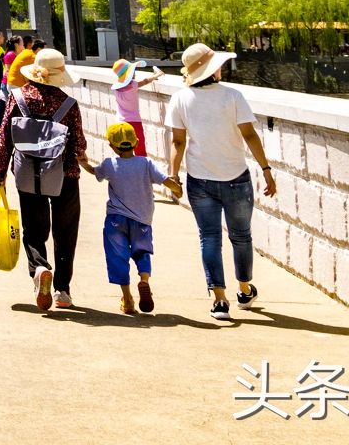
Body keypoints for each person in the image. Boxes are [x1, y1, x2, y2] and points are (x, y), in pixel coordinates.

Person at [164, 42, 279, 322]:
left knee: (210, 238)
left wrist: (173, 175)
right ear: (213, 71)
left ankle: (219, 300)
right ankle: (244, 289)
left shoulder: (180, 98)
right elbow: (250, 135)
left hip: (199, 179)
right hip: (236, 177)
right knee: (241, 236)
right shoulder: (233, 96)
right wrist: (266, 169)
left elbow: (178, 141)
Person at [0, 46, 87, 312]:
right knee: (65, 231)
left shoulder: (18, 98)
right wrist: (81, 153)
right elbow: (79, 144)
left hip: (27, 173)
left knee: (34, 229)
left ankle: (39, 269)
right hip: (65, 175)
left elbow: (4, 138)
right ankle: (62, 290)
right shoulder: (68, 104)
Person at [87, 119, 179, 314]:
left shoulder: (110, 164)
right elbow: (165, 181)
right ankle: (144, 280)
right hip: (142, 220)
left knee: (118, 256)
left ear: (112, 146)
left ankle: (127, 298)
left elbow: (94, 172)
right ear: (136, 142)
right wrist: (177, 189)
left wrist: (82, 161)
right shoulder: (145, 163)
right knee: (142, 252)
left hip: (115, 219)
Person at [110, 57, 159, 158]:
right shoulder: (133, 85)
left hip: (120, 122)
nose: (134, 72)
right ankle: (141, 168)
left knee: (123, 148)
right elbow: (146, 81)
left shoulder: (116, 88)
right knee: (140, 148)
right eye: (133, 71)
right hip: (134, 121)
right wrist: (156, 75)